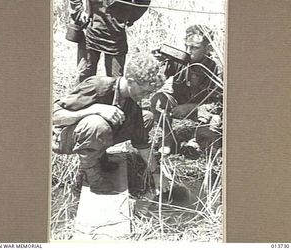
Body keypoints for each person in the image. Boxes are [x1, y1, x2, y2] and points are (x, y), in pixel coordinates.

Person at [52, 53, 168, 194]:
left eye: (150, 92)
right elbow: (54, 116)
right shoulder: (98, 86)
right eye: (144, 91)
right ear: (130, 81)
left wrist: (156, 174)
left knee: (146, 118)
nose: (147, 96)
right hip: (62, 139)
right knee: (97, 124)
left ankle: (99, 157)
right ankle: (91, 175)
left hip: (88, 135)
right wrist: (95, 109)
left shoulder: (132, 105)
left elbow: (143, 145)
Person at [150, 24, 223, 157]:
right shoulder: (179, 59)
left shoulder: (217, 68)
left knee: (215, 122)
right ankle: (168, 138)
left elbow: (219, 104)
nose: (189, 51)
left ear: (208, 49)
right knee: (157, 101)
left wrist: (192, 108)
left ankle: (197, 141)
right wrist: (157, 64)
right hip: (179, 100)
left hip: (202, 109)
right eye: (186, 46)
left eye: (194, 48)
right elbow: (156, 82)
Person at [68, 0, 143, 83]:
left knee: (115, 81)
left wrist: (130, 17)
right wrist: (79, 12)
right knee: (84, 78)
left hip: (116, 36)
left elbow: (144, 1)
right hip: (90, 32)